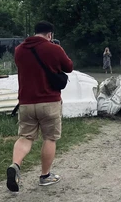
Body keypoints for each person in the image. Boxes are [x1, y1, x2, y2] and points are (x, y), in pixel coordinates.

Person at [6, 21, 74, 192]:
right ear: (50, 34)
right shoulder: (54, 49)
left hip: (26, 103)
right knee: (49, 138)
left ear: (34, 32)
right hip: (49, 101)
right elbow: (69, 67)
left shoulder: (19, 50)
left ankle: (15, 165)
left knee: (25, 138)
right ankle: (45, 176)